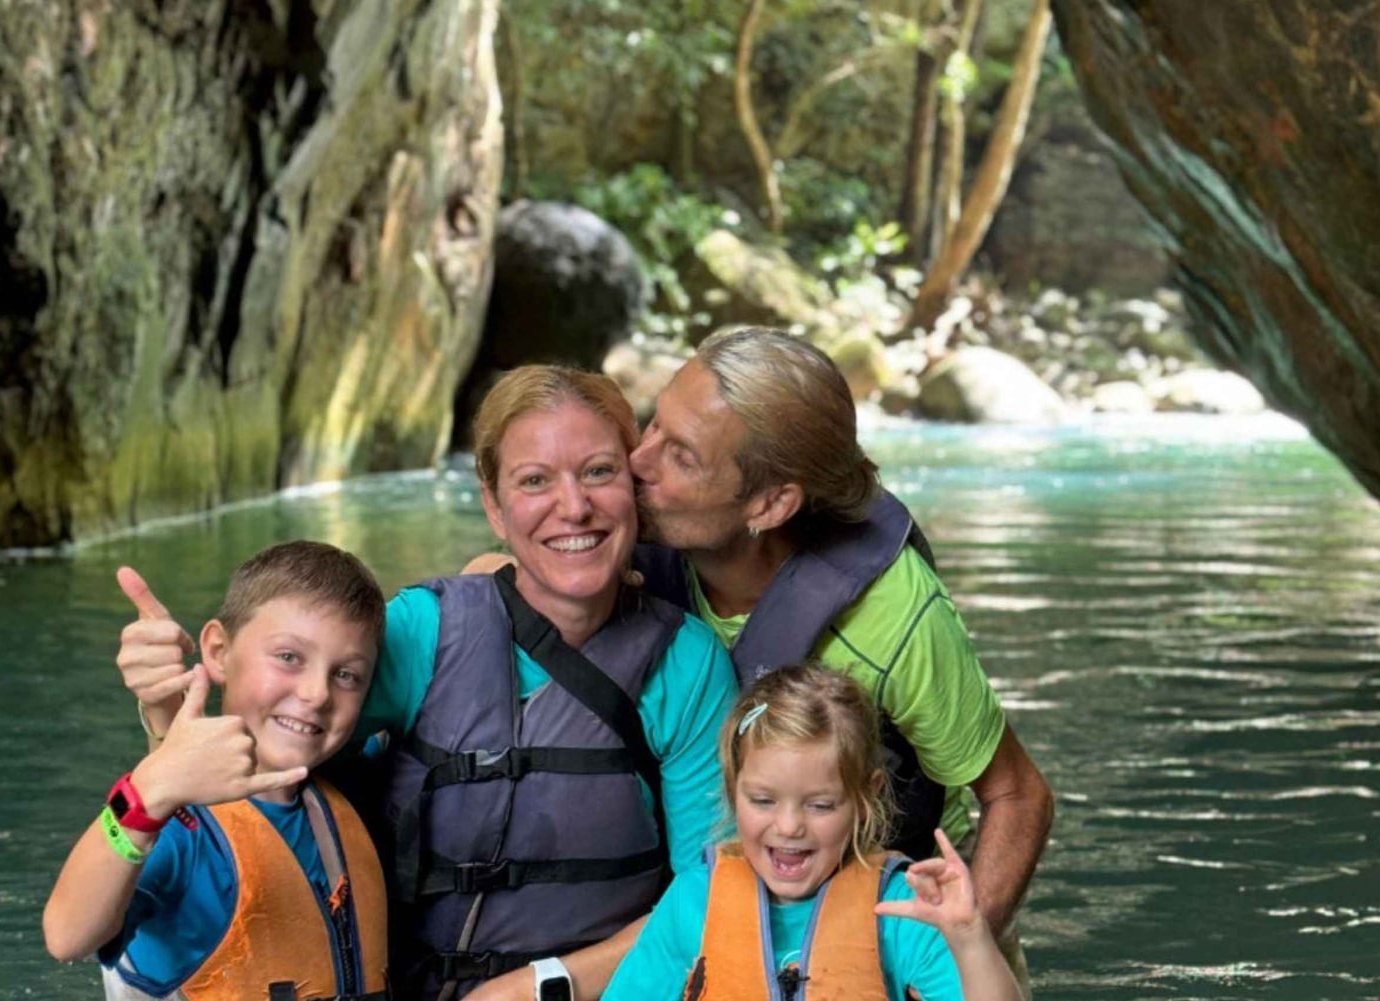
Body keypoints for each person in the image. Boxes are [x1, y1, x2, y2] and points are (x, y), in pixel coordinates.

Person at [114, 367, 741, 1001]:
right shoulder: (424, 632)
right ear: (494, 506)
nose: (574, 506)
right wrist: (165, 710)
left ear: (633, 487)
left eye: (599, 472)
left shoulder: (686, 665)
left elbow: (712, 891)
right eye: (534, 481)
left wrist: (536, 987)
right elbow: (258, 753)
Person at [627, 326, 1054, 995]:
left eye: (680, 456)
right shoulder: (624, 556)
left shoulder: (894, 612)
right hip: (719, 911)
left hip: (899, 919)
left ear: (770, 504)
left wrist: (944, 948)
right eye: (653, 423)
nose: (637, 460)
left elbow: (1018, 794)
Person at [43, 541, 390, 1000]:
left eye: (346, 675)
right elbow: (67, 936)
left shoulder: (347, 796)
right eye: (289, 657)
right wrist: (149, 791)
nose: (317, 694)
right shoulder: (184, 829)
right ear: (218, 651)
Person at [602, 664, 1023, 1001]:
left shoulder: (901, 909)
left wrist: (969, 936)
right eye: (763, 800)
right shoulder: (693, 901)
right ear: (733, 790)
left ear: (866, 797)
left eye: (820, 805)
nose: (788, 827)